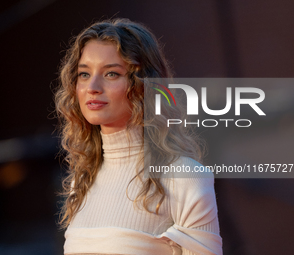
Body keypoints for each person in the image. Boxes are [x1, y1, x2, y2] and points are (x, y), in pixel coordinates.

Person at [55, 18, 222, 255]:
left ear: (144, 85)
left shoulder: (185, 177)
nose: (93, 86)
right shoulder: (81, 182)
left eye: (111, 74)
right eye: (84, 74)